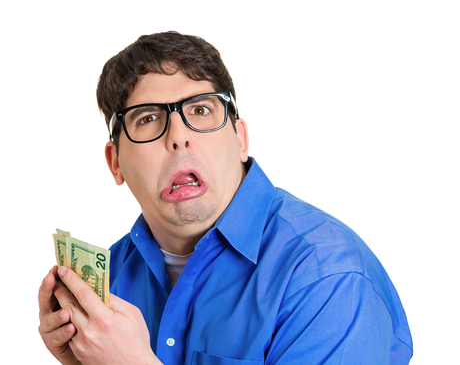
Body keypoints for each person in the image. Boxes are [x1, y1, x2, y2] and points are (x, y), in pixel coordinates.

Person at [38, 31, 413, 365]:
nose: (178, 136)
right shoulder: (110, 281)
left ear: (240, 140)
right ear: (115, 162)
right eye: (148, 118)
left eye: (200, 110)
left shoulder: (327, 275)